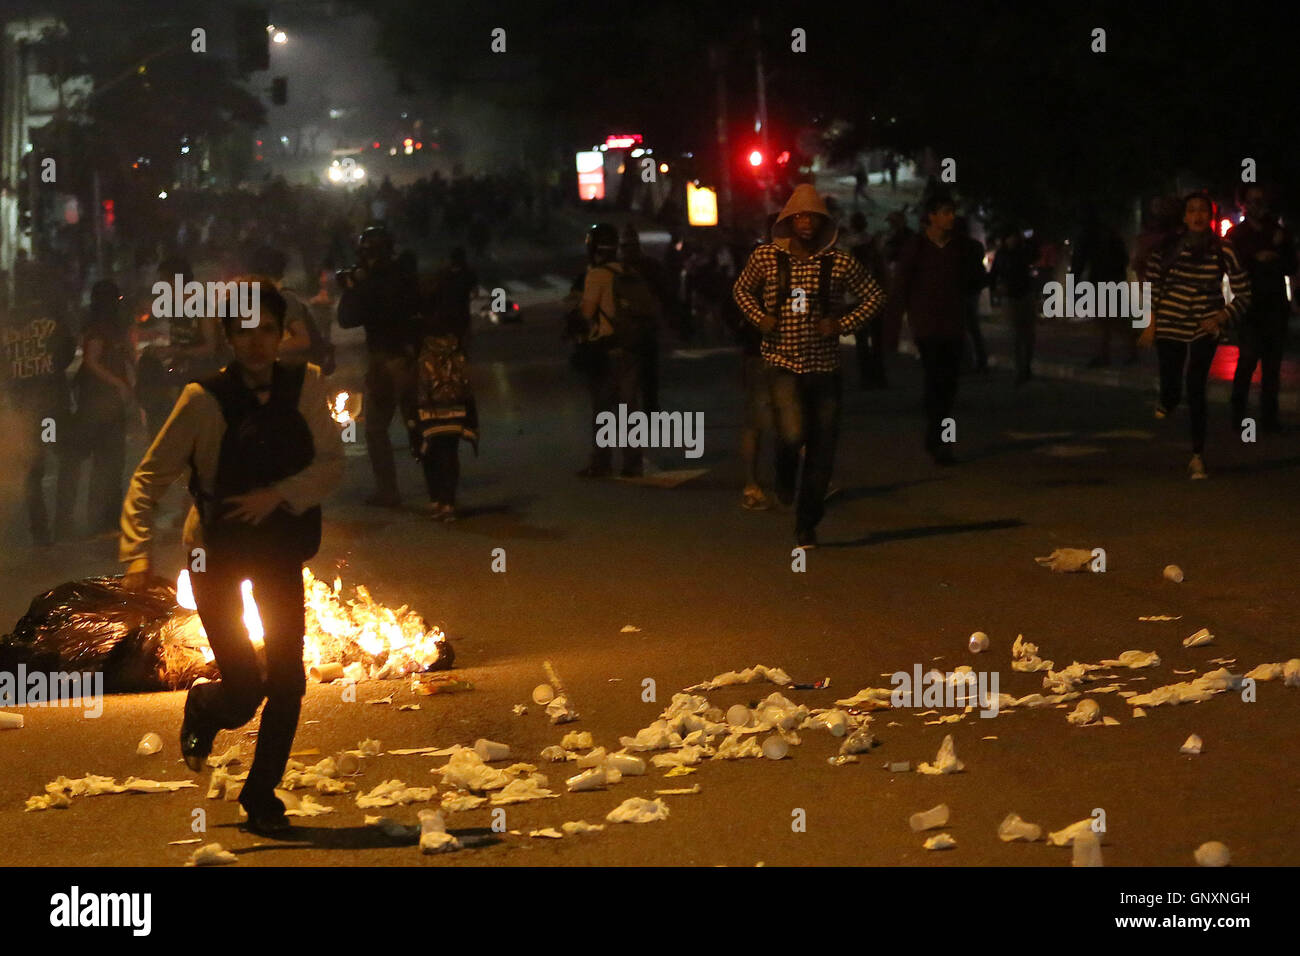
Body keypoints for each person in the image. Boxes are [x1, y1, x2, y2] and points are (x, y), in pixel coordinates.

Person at [119, 281, 344, 837]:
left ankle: (261, 795)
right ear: (228, 336)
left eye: (268, 329)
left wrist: (278, 495)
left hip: (278, 547)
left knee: (289, 680)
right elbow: (149, 477)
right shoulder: (202, 400)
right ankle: (205, 708)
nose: (258, 342)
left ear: (282, 332)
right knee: (245, 689)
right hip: (212, 553)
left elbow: (333, 463)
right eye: (245, 331)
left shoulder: (307, 385)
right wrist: (135, 555)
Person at [732, 183, 886, 548]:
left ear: (823, 223)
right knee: (791, 433)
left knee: (822, 449)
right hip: (782, 361)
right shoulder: (766, 258)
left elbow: (875, 296)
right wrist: (759, 318)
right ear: (788, 220)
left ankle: (806, 523)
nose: (806, 223)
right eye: (799, 216)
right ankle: (784, 474)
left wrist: (843, 324)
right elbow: (740, 290)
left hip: (824, 366)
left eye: (813, 217)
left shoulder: (840, 262)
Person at [1142, 191, 1251, 479]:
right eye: (1191, 211)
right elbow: (1153, 285)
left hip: (1205, 325)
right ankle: (1167, 398)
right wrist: (1151, 324)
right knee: (1172, 383)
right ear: (1184, 216)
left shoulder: (1222, 249)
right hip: (1170, 324)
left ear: (1211, 216)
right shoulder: (1168, 248)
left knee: (1196, 386)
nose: (1197, 216)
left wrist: (1222, 316)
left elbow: (1244, 293)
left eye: (1203, 211)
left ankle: (1197, 456)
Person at [337, 225, 421, 506]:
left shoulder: (370, 283)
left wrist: (351, 288)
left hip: (384, 360)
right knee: (419, 424)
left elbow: (347, 318)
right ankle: (440, 488)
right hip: (410, 356)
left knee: (375, 428)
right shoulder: (406, 276)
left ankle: (388, 491)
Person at [888, 193, 974, 464]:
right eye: (946, 212)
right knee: (936, 381)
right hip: (927, 327)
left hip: (954, 326)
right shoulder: (917, 247)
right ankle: (939, 441)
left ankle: (938, 436)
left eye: (953, 212)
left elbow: (970, 279)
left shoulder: (958, 246)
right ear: (932, 216)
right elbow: (901, 287)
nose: (951, 217)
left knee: (949, 386)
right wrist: (893, 329)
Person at [56, 281, 135, 538]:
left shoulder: (108, 327)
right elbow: (91, 361)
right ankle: (101, 522)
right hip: (98, 404)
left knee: (108, 464)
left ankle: (101, 521)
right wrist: (119, 384)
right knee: (107, 463)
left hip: (104, 404)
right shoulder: (100, 329)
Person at [577, 222, 654, 477]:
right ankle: (633, 462)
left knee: (602, 407)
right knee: (630, 407)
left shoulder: (596, 274)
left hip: (607, 348)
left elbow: (587, 313)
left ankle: (602, 461)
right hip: (631, 346)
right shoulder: (626, 270)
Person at [2, 290, 77, 546]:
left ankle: (41, 532)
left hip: (26, 410)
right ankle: (64, 525)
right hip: (52, 405)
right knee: (68, 459)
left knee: (34, 471)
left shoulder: (7, 328)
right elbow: (68, 351)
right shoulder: (52, 322)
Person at [410, 248, 480, 521]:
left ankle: (437, 499)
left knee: (429, 445)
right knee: (449, 449)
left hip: (426, 395)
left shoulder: (418, 323)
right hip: (452, 392)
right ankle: (448, 502)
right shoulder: (455, 317)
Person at [1227, 185, 1296, 433]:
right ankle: (1238, 415)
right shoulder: (1237, 234)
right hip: (1249, 305)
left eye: (1262, 201)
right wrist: (1256, 256)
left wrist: (1278, 250)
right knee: (1247, 361)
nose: (1259, 206)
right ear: (1244, 204)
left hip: (1275, 304)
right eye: (1253, 201)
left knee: (1272, 365)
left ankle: (1269, 417)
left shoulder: (1278, 232)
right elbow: (1231, 264)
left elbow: (1291, 265)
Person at [1076, 214, 1137, 367]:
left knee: (1104, 321)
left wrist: (1075, 281)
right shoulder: (1112, 236)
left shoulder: (1089, 236)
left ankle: (1105, 355)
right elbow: (1124, 259)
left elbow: (1080, 260)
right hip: (1113, 280)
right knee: (1116, 319)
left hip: (1101, 280)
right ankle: (1130, 351)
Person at [620, 225, 669, 413]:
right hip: (645, 326)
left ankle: (633, 412)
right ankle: (650, 410)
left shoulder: (618, 269)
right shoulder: (650, 265)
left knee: (629, 375)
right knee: (648, 374)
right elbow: (664, 292)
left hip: (628, 328)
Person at [991, 227, 1038, 384]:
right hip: (1010, 297)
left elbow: (1034, 254)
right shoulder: (1001, 255)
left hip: (1026, 294)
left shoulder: (1023, 252)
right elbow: (994, 274)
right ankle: (1019, 369)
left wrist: (1029, 237)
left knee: (1029, 334)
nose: (1013, 240)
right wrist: (995, 289)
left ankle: (1027, 366)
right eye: (1009, 237)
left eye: (1015, 237)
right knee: (1015, 335)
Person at [954, 217, 989, 373]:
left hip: (961, 289)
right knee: (973, 326)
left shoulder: (955, 246)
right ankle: (980, 360)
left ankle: (967, 361)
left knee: (961, 326)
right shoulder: (976, 245)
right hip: (973, 289)